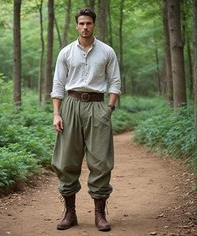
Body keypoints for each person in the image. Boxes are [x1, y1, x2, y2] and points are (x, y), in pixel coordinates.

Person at [50, 8, 121, 232]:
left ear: (94, 25)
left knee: (100, 161)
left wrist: (108, 108)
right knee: (66, 160)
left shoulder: (107, 51)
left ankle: (99, 214)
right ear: (76, 25)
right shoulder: (66, 52)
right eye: (81, 23)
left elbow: (115, 82)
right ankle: (70, 213)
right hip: (70, 105)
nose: (85, 27)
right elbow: (58, 85)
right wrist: (56, 113)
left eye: (88, 23)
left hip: (98, 105)